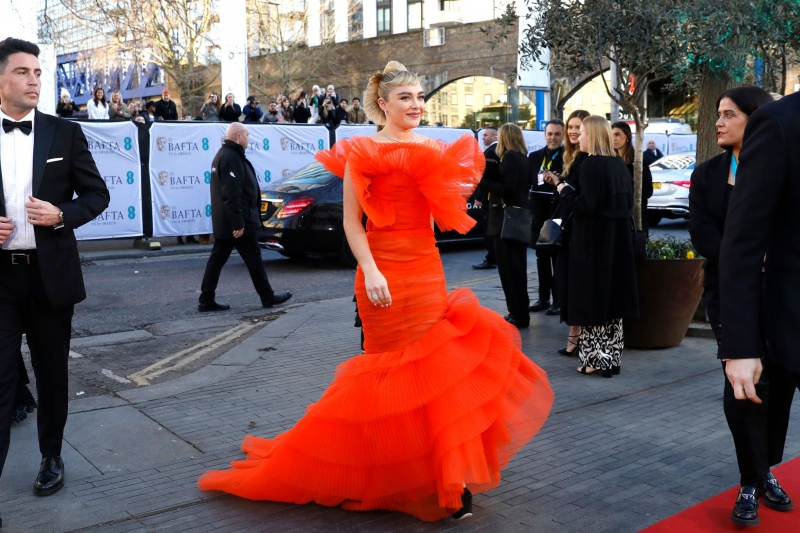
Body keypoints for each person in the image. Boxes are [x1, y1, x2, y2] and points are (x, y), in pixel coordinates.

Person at [198, 60, 554, 522]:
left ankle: (447, 478)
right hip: (380, 271)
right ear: (382, 104)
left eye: (421, 97)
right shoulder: (361, 150)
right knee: (388, 377)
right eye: (406, 98)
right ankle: (383, 469)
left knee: (436, 374)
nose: (417, 105)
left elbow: (440, 215)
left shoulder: (431, 148)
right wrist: (372, 270)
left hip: (425, 271)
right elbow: (352, 222)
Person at [0, 38, 110, 525]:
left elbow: (97, 194)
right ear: (2, 79)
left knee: (51, 375)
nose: (34, 81)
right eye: (24, 72)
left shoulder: (64, 132)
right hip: (0, 282)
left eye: (39, 73)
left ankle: (51, 457)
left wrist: (61, 215)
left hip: (51, 280)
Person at [692, 87, 791, 527]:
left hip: (784, 296)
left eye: (729, 115)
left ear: (756, 118)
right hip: (732, 295)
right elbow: (705, 235)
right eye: (719, 114)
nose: (719, 122)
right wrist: (753, 254)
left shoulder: (780, 149)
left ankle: (767, 467)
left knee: (779, 388)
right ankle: (750, 479)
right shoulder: (707, 174)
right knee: (745, 389)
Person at [546, 116, 638, 377]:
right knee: (611, 301)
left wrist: (563, 187)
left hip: (593, 242)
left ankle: (594, 360)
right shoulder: (619, 164)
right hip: (617, 241)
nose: (579, 137)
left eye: (583, 132)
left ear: (594, 136)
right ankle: (611, 359)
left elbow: (586, 206)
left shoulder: (591, 165)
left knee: (592, 298)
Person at [197, 122, 292, 312]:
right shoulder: (230, 157)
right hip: (238, 223)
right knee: (253, 259)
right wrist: (238, 223)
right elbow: (231, 194)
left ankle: (206, 299)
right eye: (247, 135)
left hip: (230, 222)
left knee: (218, 260)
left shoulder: (226, 155)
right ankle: (267, 297)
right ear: (238, 137)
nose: (249, 138)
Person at [481, 124, 531, 328]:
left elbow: (506, 188)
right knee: (518, 268)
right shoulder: (523, 158)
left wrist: (482, 180)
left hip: (505, 220)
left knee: (509, 271)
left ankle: (517, 314)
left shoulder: (509, 158)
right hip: (518, 218)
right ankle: (520, 312)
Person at [551, 109, 590, 355]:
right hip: (565, 226)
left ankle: (577, 336)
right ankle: (575, 333)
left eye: (579, 128)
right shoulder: (571, 156)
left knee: (575, 282)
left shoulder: (588, 158)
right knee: (565, 281)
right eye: (571, 127)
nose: (574, 132)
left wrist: (560, 185)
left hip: (578, 228)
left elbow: (580, 197)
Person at [527, 119, 564, 312]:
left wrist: (558, 181)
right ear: (545, 135)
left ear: (563, 135)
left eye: (557, 134)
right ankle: (543, 299)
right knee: (541, 258)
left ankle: (558, 302)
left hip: (557, 213)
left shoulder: (568, 157)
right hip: (539, 214)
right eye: (550, 134)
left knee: (557, 259)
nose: (553, 138)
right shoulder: (534, 157)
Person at [611, 121, 654, 234]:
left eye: (617, 134)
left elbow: (647, 190)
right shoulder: (610, 160)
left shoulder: (638, 161)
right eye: (611, 135)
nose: (614, 138)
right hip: (615, 214)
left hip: (634, 215)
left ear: (627, 136)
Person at [472, 126, 499, 270]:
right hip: (491, 197)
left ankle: (491, 259)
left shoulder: (491, 152)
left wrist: (480, 197)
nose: (483, 138)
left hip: (488, 198)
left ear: (495, 136)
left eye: (486, 135)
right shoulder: (494, 151)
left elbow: (486, 178)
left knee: (488, 229)